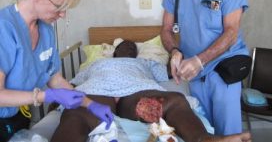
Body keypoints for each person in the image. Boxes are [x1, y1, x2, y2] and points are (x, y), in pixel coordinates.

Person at [0, 0, 113, 142]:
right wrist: (44, 96)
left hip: (19, 117)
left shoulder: (45, 29)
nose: (63, 15)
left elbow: (55, 79)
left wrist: (91, 104)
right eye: (59, 7)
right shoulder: (4, 28)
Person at [51, 40, 251, 142]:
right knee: (78, 110)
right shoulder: (96, 63)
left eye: (132, 48)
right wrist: (59, 100)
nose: (129, 48)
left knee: (174, 99)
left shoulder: (145, 62)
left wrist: (177, 59)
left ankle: (203, 140)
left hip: (136, 92)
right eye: (124, 46)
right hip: (97, 91)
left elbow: (169, 75)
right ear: (114, 51)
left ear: (137, 53)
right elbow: (73, 85)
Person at [160, 0, 250, 136]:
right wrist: (174, 51)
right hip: (194, 73)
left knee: (228, 133)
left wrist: (200, 60)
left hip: (223, 68)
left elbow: (231, 32)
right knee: (203, 130)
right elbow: (165, 29)